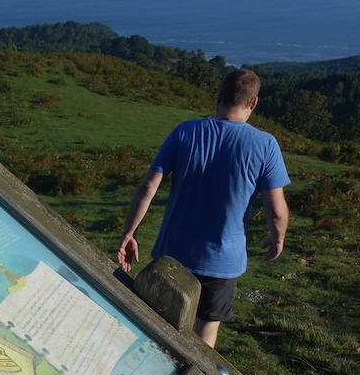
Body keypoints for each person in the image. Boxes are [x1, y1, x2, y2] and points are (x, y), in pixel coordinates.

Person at [116, 68, 291, 348]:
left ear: (219, 96)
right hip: (222, 263)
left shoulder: (184, 131)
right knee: (204, 337)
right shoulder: (265, 145)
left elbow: (148, 186)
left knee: (155, 327)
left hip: (172, 255)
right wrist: (277, 236)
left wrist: (129, 233)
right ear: (254, 102)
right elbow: (277, 209)